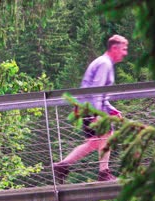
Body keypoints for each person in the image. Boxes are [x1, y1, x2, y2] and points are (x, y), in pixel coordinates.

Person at [53, 34, 128, 183]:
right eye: (124, 49)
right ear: (114, 48)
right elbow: (96, 91)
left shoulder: (104, 63)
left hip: (87, 107)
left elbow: (100, 94)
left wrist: (111, 110)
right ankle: (104, 173)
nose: (125, 53)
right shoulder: (104, 64)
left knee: (94, 142)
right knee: (107, 134)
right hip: (90, 108)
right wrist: (97, 114)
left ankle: (62, 165)